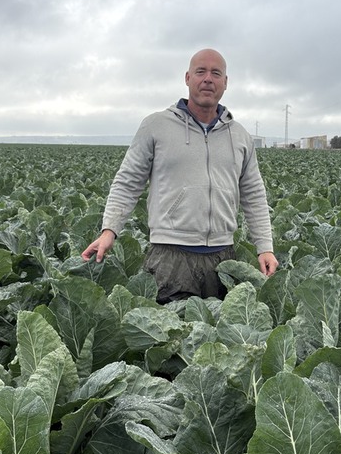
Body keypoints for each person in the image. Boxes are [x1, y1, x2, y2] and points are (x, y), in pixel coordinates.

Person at [81, 48, 279, 303]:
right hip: (169, 258)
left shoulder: (239, 136)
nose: (208, 78)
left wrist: (265, 248)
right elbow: (127, 182)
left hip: (224, 259)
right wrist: (109, 230)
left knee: (223, 340)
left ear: (226, 83)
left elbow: (254, 195)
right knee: (171, 340)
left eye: (216, 73)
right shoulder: (156, 126)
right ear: (187, 78)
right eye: (201, 72)